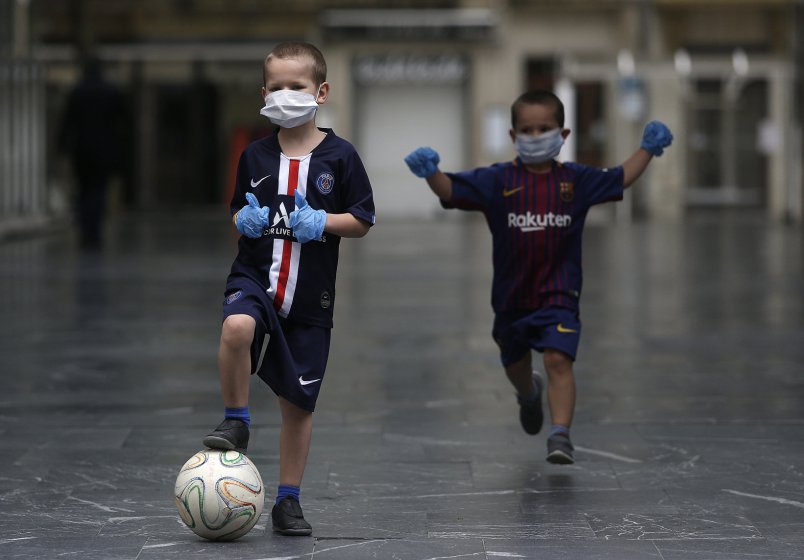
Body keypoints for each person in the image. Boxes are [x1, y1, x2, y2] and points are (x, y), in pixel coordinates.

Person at [404, 90, 672, 464]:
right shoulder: (497, 180)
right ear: (514, 137)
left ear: (563, 134)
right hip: (511, 301)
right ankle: (529, 394)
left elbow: (618, 178)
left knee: (558, 359)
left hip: (559, 295)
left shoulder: (575, 181)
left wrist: (647, 150)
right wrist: (431, 173)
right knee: (515, 365)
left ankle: (560, 434)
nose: (535, 135)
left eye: (544, 128)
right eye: (527, 130)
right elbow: (452, 190)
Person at [203, 41, 375, 536]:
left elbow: (362, 219)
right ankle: (235, 418)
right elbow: (237, 208)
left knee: (298, 405)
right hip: (255, 276)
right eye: (275, 87)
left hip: (310, 296)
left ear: (320, 91)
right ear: (263, 93)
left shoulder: (341, 157)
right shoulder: (255, 154)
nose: (284, 95)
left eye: (295, 87)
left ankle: (288, 501)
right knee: (236, 327)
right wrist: (244, 218)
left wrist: (323, 220)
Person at [60, 58, 128, 249]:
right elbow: (122, 122)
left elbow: (67, 122)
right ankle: (94, 232)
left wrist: (63, 148)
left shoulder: (77, 92)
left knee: (83, 189)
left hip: (81, 149)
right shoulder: (111, 92)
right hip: (104, 149)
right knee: (98, 190)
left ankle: (85, 231)